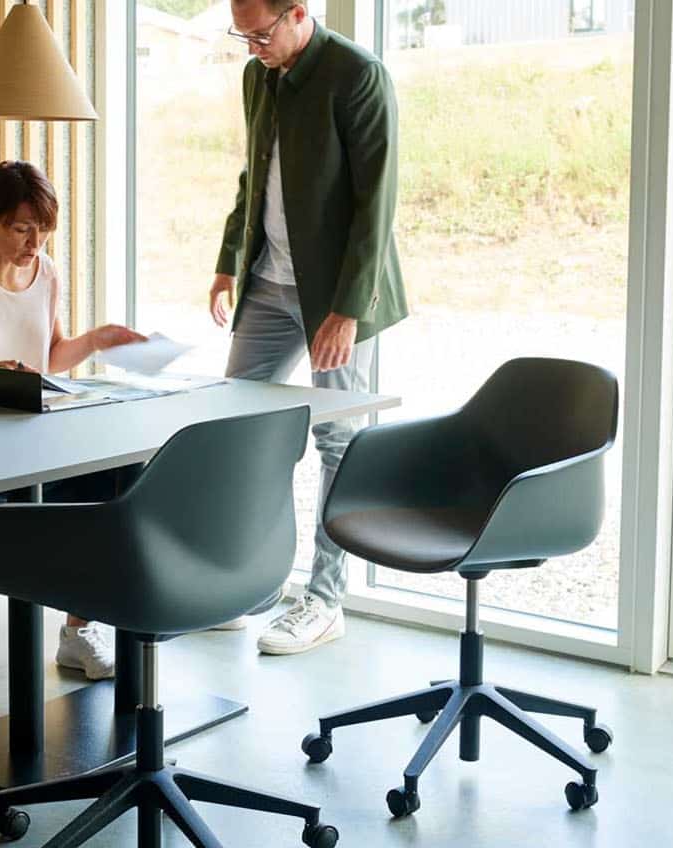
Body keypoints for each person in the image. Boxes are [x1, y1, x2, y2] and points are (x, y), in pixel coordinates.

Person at [212, 0, 408, 655]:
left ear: (299, 13)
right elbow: (252, 176)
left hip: (335, 297)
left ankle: (324, 601)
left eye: (260, 35)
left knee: (339, 442)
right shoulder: (259, 75)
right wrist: (227, 263)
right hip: (268, 286)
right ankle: (248, 585)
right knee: (236, 430)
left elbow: (375, 204)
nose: (251, 48)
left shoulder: (358, 75)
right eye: (241, 36)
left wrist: (348, 310)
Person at [0, 160, 145, 680]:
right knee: (90, 495)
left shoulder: (46, 272)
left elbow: (50, 357)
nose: (34, 242)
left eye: (43, 229)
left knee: (130, 477)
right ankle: (77, 623)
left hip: (31, 429)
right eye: (21, 228)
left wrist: (98, 340)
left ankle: (81, 625)